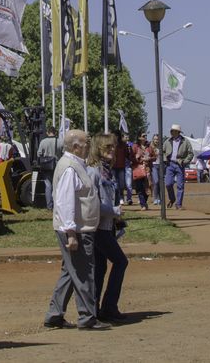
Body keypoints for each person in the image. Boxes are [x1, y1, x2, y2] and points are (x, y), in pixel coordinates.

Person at [43, 129, 109, 330]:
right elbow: (65, 202)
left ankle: (54, 314)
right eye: (86, 142)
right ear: (75, 147)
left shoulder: (74, 165)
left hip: (78, 228)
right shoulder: (70, 168)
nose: (89, 146)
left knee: (70, 272)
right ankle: (87, 317)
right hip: (77, 231)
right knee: (83, 273)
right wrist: (71, 233)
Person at [86, 133, 128, 322]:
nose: (113, 150)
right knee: (120, 261)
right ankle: (108, 307)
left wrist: (116, 218)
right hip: (98, 228)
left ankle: (95, 309)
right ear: (98, 149)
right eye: (108, 147)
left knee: (100, 268)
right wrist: (115, 211)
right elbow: (93, 204)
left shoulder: (106, 171)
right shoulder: (94, 172)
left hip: (106, 226)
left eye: (114, 147)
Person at [162, 124, 194, 209]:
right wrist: (165, 159)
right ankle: (172, 199)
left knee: (180, 185)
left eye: (173, 131)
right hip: (170, 164)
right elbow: (163, 152)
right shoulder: (167, 141)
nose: (171, 132)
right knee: (168, 184)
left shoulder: (185, 141)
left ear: (178, 132)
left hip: (180, 165)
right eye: (171, 131)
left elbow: (191, 153)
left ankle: (178, 204)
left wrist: (185, 162)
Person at [131, 133, 155, 210]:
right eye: (143, 136)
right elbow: (130, 157)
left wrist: (149, 159)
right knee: (139, 188)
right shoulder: (135, 147)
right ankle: (143, 204)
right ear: (139, 137)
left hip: (147, 169)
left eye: (145, 136)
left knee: (148, 187)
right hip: (138, 169)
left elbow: (154, 157)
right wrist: (137, 158)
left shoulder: (149, 147)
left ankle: (144, 202)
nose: (145, 137)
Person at [110, 129, 130, 208]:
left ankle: (121, 196)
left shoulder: (123, 145)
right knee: (115, 184)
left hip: (121, 167)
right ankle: (117, 199)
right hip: (113, 167)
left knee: (121, 184)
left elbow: (127, 155)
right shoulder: (111, 145)